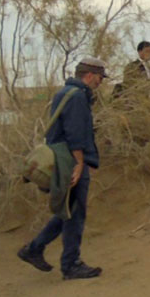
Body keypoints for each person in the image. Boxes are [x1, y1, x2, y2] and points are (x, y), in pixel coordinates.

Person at [17, 57, 107, 280]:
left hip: (62, 159)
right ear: (89, 75)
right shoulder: (77, 97)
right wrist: (79, 164)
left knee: (68, 210)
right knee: (75, 213)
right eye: (99, 77)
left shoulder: (66, 93)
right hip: (70, 161)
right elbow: (75, 134)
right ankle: (70, 264)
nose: (100, 82)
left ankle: (35, 249)